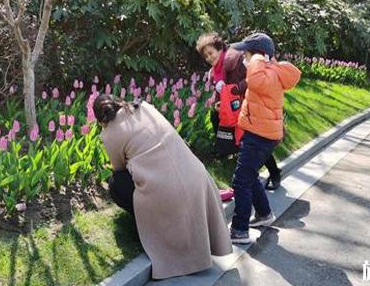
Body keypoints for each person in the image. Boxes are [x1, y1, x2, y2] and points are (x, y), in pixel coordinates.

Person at [95, 94, 233, 279]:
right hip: (198, 177)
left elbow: (119, 168)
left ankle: (151, 228)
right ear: (119, 102)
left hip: (168, 192)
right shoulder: (143, 107)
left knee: (116, 184)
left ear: (101, 119)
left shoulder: (109, 133)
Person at [228, 32, 301, 244]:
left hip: (260, 135)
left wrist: (258, 58)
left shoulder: (265, 74)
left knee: (240, 181)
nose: (244, 58)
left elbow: (256, 82)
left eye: (247, 54)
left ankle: (239, 230)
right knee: (249, 176)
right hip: (260, 132)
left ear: (259, 56)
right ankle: (264, 214)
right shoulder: (270, 71)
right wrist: (259, 58)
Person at [196, 32, 282, 190]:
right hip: (232, 110)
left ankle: (275, 173)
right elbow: (219, 93)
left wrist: (237, 89)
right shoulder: (214, 73)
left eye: (211, 53)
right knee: (219, 120)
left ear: (220, 48)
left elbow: (252, 78)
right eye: (206, 56)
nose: (209, 58)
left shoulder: (236, 61)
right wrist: (218, 103)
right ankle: (227, 153)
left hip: (248, 106)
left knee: (255, 143)